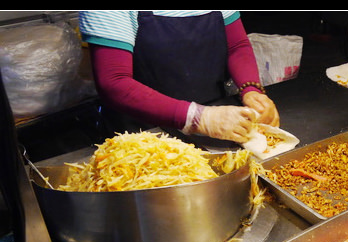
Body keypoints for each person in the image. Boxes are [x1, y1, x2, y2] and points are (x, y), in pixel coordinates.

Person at [78, 11, 279, 144]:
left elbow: (237, 46)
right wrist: (200, 118)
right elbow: (114, 82)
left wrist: (251, 90)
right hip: (145, 135)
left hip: (220, 123)